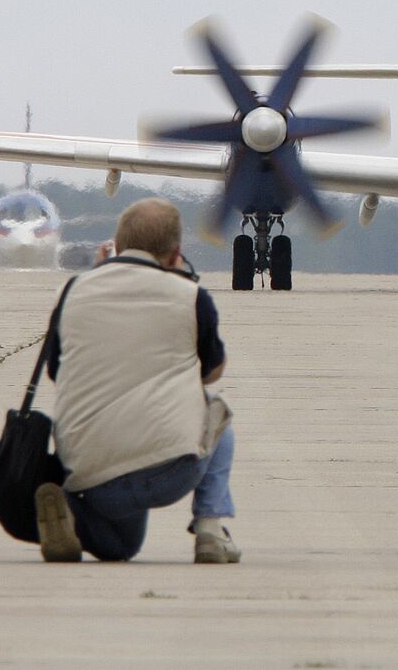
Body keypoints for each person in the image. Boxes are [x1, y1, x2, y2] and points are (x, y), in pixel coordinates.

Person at [31, 197, 240, 564]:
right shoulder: (191, 296)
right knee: (217, 414)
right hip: (170, 470)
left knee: (120, 543)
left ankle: (72, 514)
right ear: (176, 253)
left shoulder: (75, 290)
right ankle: (209, 532)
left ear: (116, 244)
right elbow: (212, 371)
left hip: (89, 474)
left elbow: (55, 371)